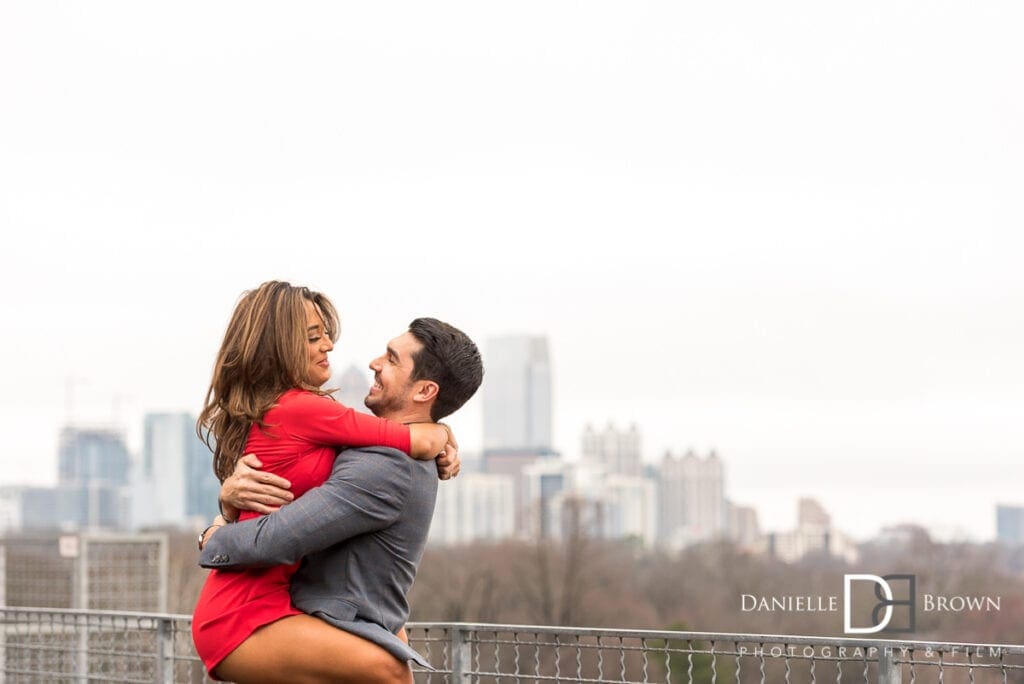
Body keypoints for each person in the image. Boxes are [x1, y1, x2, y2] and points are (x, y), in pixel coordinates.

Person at [190, 282, 455, 681]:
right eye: (314, 337)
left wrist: (441, 433)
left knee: (387, 656)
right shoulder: (301, 409)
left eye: (326, 333)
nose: (329, 345)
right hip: (242, 612)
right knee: (391, 672)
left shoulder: (307, 414)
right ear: (281, 347)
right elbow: (408, 436)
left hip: (277, 601)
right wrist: (441, 435)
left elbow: (382, 433)